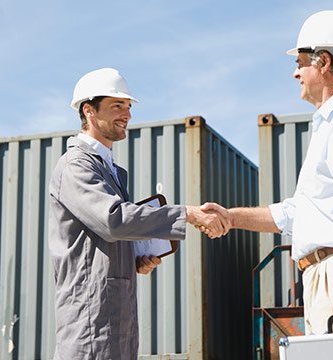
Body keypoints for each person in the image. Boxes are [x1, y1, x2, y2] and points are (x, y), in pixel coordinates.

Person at [202, 10, 333, 335]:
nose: (296, 73)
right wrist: (231, 217)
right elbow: (299, 213)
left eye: (300, 63)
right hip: (331, 270)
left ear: (323, 62)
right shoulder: (332, 124)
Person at [48, 67, 226, 359]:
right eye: (117, 105)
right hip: (89, 316)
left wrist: (133, 260)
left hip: (118, 315)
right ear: (88, 111)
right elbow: (113, 220)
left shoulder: (109, 169)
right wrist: (187, 214)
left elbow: (104, 241)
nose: (127, 114)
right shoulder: (75, 165)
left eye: (128, 107)